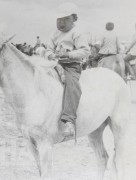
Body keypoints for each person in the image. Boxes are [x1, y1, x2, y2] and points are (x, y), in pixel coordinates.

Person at [44, 3, 90, 137]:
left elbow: (86, 51)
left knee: (72, 85)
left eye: (65, 19)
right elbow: (48, 49)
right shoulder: (54, 34)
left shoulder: (77, 33)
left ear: (74, 19)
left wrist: (69, 54)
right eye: (58, 19)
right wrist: (50, 54)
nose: (61, 22)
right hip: (54, 63)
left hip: (71, 65)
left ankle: (69, 120)